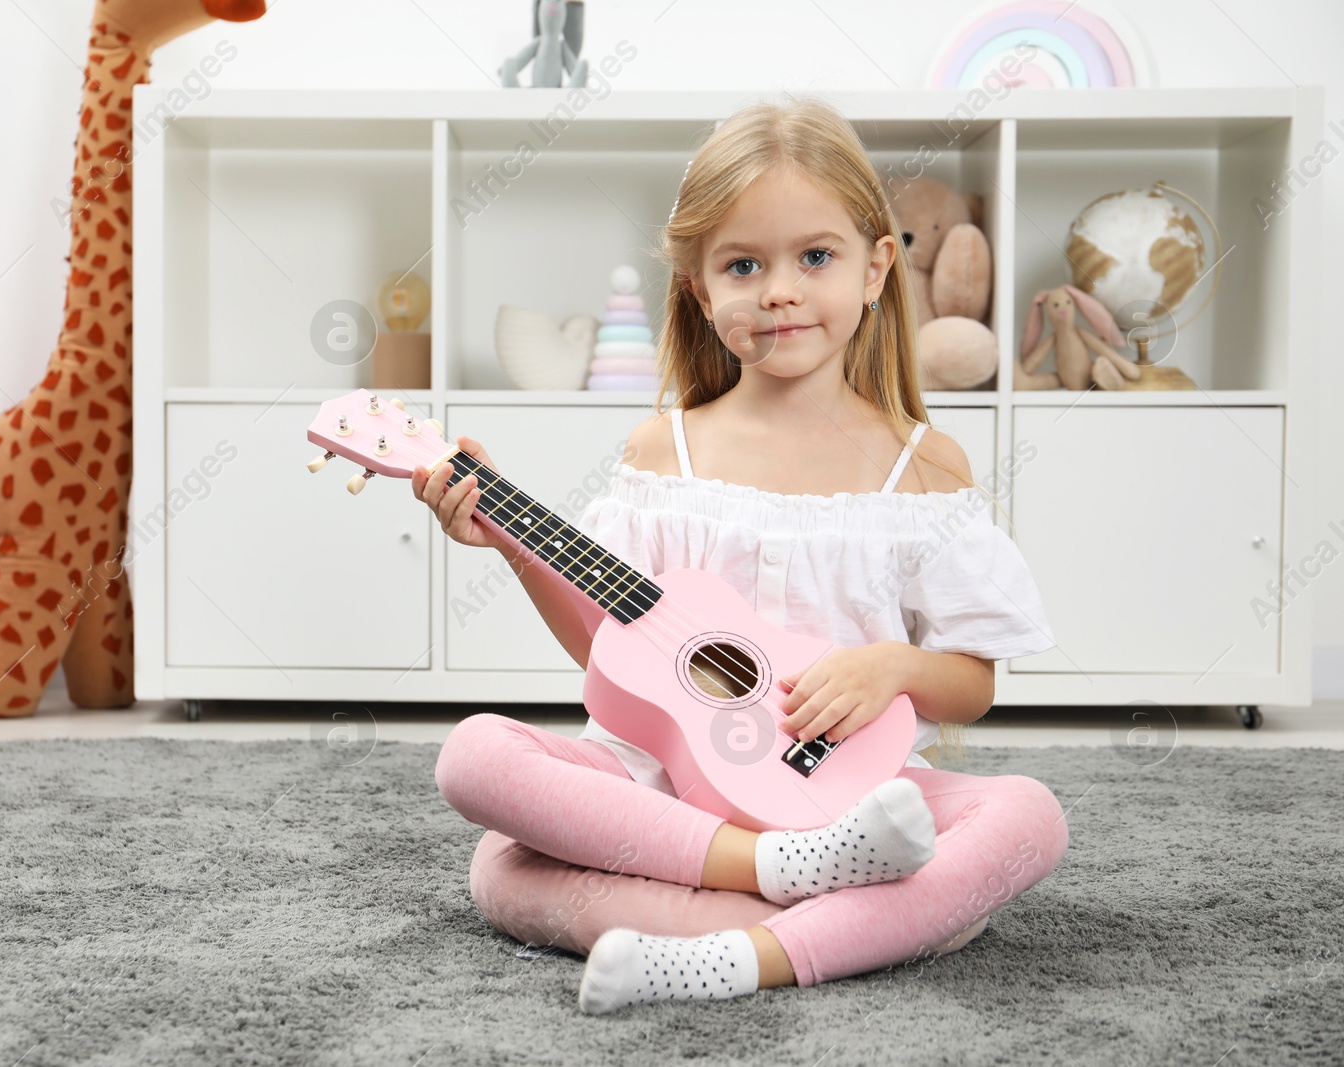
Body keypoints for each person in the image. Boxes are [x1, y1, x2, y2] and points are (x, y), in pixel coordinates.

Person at [411, 95, 1067, 1015]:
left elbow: (973, 680)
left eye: (816, 256)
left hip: (847, 793)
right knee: (479, 771)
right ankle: (808, 892)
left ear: (878, 267)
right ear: (696, 282)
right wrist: (514, 545)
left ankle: (742, 950)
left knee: (1027, 816)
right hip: (665, 791)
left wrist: (892, 667)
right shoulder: (662, 455)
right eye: (744, 264)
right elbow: (610, 652)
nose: (780, 289)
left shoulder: (922, 469)